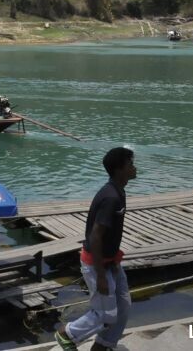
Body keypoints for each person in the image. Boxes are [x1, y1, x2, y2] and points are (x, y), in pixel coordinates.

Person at [55, 147, 136, 351]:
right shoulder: (111, 198)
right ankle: (67, 334)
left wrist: (114, 263)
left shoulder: (119, 191)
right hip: (96, 264)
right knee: (105, 315)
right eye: (130, 165)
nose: (134, 168)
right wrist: (100, 275)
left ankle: (103, 346)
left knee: (123, 306)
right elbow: (95, 236)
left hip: (111, 261)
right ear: (119, 170)